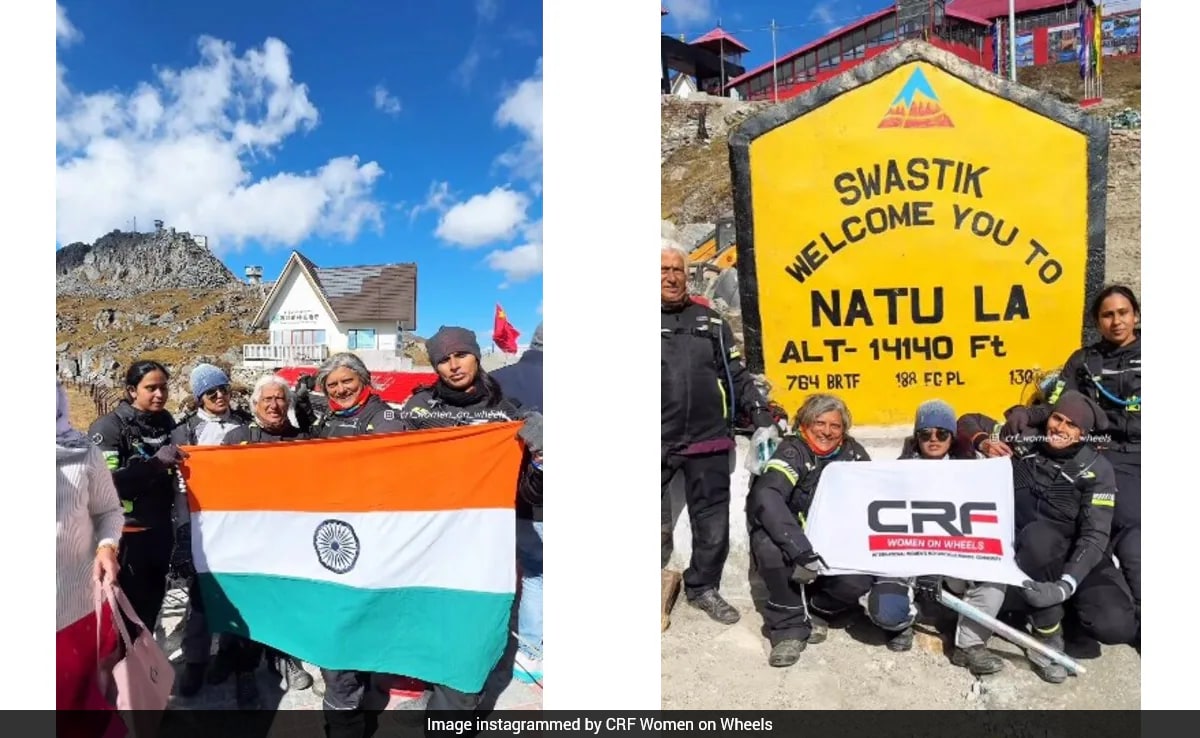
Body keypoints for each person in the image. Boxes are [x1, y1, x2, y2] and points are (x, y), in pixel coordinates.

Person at [958, 390, 1138, 683]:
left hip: (1077, 552)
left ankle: (1063, 607)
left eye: (1071, 425)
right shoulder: (1025, 439)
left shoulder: (1097, 469)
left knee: (1115, 627)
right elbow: (968, 420)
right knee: (1038, 538)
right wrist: (984, 441)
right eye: (1057, 418)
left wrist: (1066, 586)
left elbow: (1094, 535)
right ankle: (1047, 625)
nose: (1060, 428)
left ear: (1084, 433)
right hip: (1031, 548)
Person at [661, 240, 774, 625]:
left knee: (712, 522)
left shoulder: (711, 321)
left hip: (708, 440)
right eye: (663, 270)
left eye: (678, 270)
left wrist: (759, 409)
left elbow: (736, 374)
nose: (672, 277)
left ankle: (703, 588)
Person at [860, 400, 1006, 676]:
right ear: (917, 437)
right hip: (908, 559)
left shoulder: (972, 470)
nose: (934, 440)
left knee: (995, 580)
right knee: (885, 608)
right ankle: (903, 621)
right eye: (926, 434)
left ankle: (969, 645)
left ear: (952, 436)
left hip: (955, 558)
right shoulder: (898, 472)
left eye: (942, 433)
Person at [1046, 284, 1141, 653]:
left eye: (1123, 313)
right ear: (1097, 321)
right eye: (1107, 314)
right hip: (1100, 451)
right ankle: (1102, 608)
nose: (1116, 321)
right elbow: (1059, 405)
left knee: (1132, 528)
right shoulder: (1084, 362)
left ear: (1135, 315)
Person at [745, 393, 870, 667]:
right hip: (793, 539)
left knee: (858, 583)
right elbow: (768, 495)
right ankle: (788, 629)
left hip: (835, 540)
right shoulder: (793, 450)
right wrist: (800, 549)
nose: (826, 431)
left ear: (844, 430)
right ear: (805, 424)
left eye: (835, 426)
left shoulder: (854, 454)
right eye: (819, 423)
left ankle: (816, 609)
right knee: (767, 544)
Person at [216, 374, 315, 708]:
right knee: (251, 606)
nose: (275, 405)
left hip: (291, 539)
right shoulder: (236, 438)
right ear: (255, 404)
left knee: (288, 603)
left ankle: (286, 657)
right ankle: (246, 670)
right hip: (249, 542)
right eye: (267, 400)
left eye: (280, 399)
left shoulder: (303, 439)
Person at [88, 360, 189, 635]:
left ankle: (145, 668)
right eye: (151, 388)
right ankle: (118, 670)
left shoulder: (166, 421)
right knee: (121, 613)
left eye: (164, 387)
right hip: (124, 536)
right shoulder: (108, 428)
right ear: (132, 391)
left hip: (160, 531)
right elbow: (104, 485)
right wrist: (155, 464)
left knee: (152, 606)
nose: (160, 394)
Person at [173, 364, 253, 699]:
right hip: (202, 527)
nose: (220, 396)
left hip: (240, 526)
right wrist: (183, 533)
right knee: (200, 599)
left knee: (239, 597)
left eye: (223, 389)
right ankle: (194, 662)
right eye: (211, 392)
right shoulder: (185, 431)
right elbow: (179, 487)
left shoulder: (246, 426)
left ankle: (227, 657)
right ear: (199, 398)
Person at [57, 381, 124, 732]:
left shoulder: (83, 453)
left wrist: (106, 546)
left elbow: (109, 511)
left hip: (79, 606)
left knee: (87, 703)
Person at [489, 322, 544, 685]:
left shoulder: (497, 379)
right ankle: (534, 646)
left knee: (533, 571)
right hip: (541, 494)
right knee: (541, 575)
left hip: (509, 494)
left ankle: (529, 651)